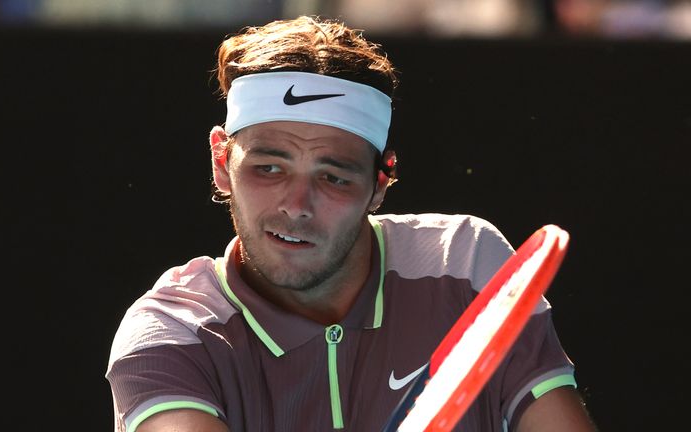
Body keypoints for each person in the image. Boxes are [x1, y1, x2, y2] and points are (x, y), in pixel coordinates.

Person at [105, 16, 596, 432]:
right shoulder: (170, 334)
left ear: (381, 183)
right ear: (221, 161)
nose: (297, 205)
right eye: (268, 168)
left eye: (334, 177)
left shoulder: (465, 264)